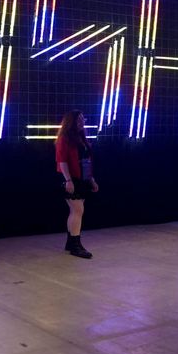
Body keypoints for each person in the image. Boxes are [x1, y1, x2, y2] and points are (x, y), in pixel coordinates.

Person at [55, 109, 99, 259]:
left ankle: (71, 242)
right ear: (71, 121)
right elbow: (62, 161)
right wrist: (68, 180)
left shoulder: (81, 137)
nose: (82, 122)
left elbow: (87, 161)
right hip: (70, 178)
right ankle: (75, 245)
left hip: (82, 178)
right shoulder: (64, 138)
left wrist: (91, 179)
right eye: (79, 119)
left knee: (76, 211)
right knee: (77, 211)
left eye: (83, 119)